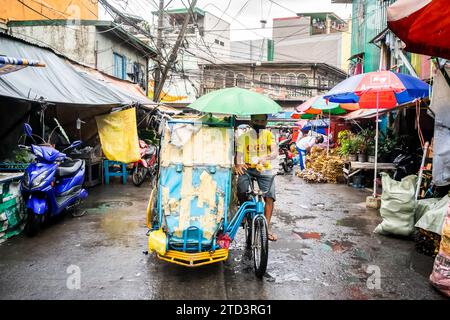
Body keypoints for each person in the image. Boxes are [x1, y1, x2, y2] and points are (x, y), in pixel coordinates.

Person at [235, 114, 278, 241]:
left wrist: (267, 157)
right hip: (248, 168)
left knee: (269, 196)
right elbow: (239, 154)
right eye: (256, 120)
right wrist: (238, 164)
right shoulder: (244, 137)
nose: (259, 123)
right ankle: (244, 212)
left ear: (266, 122)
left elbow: (275, 152)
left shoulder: (269, 135)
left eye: (262, 120)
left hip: (264, 168)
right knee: (241, 188)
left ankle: (267, 227)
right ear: (251, 121)